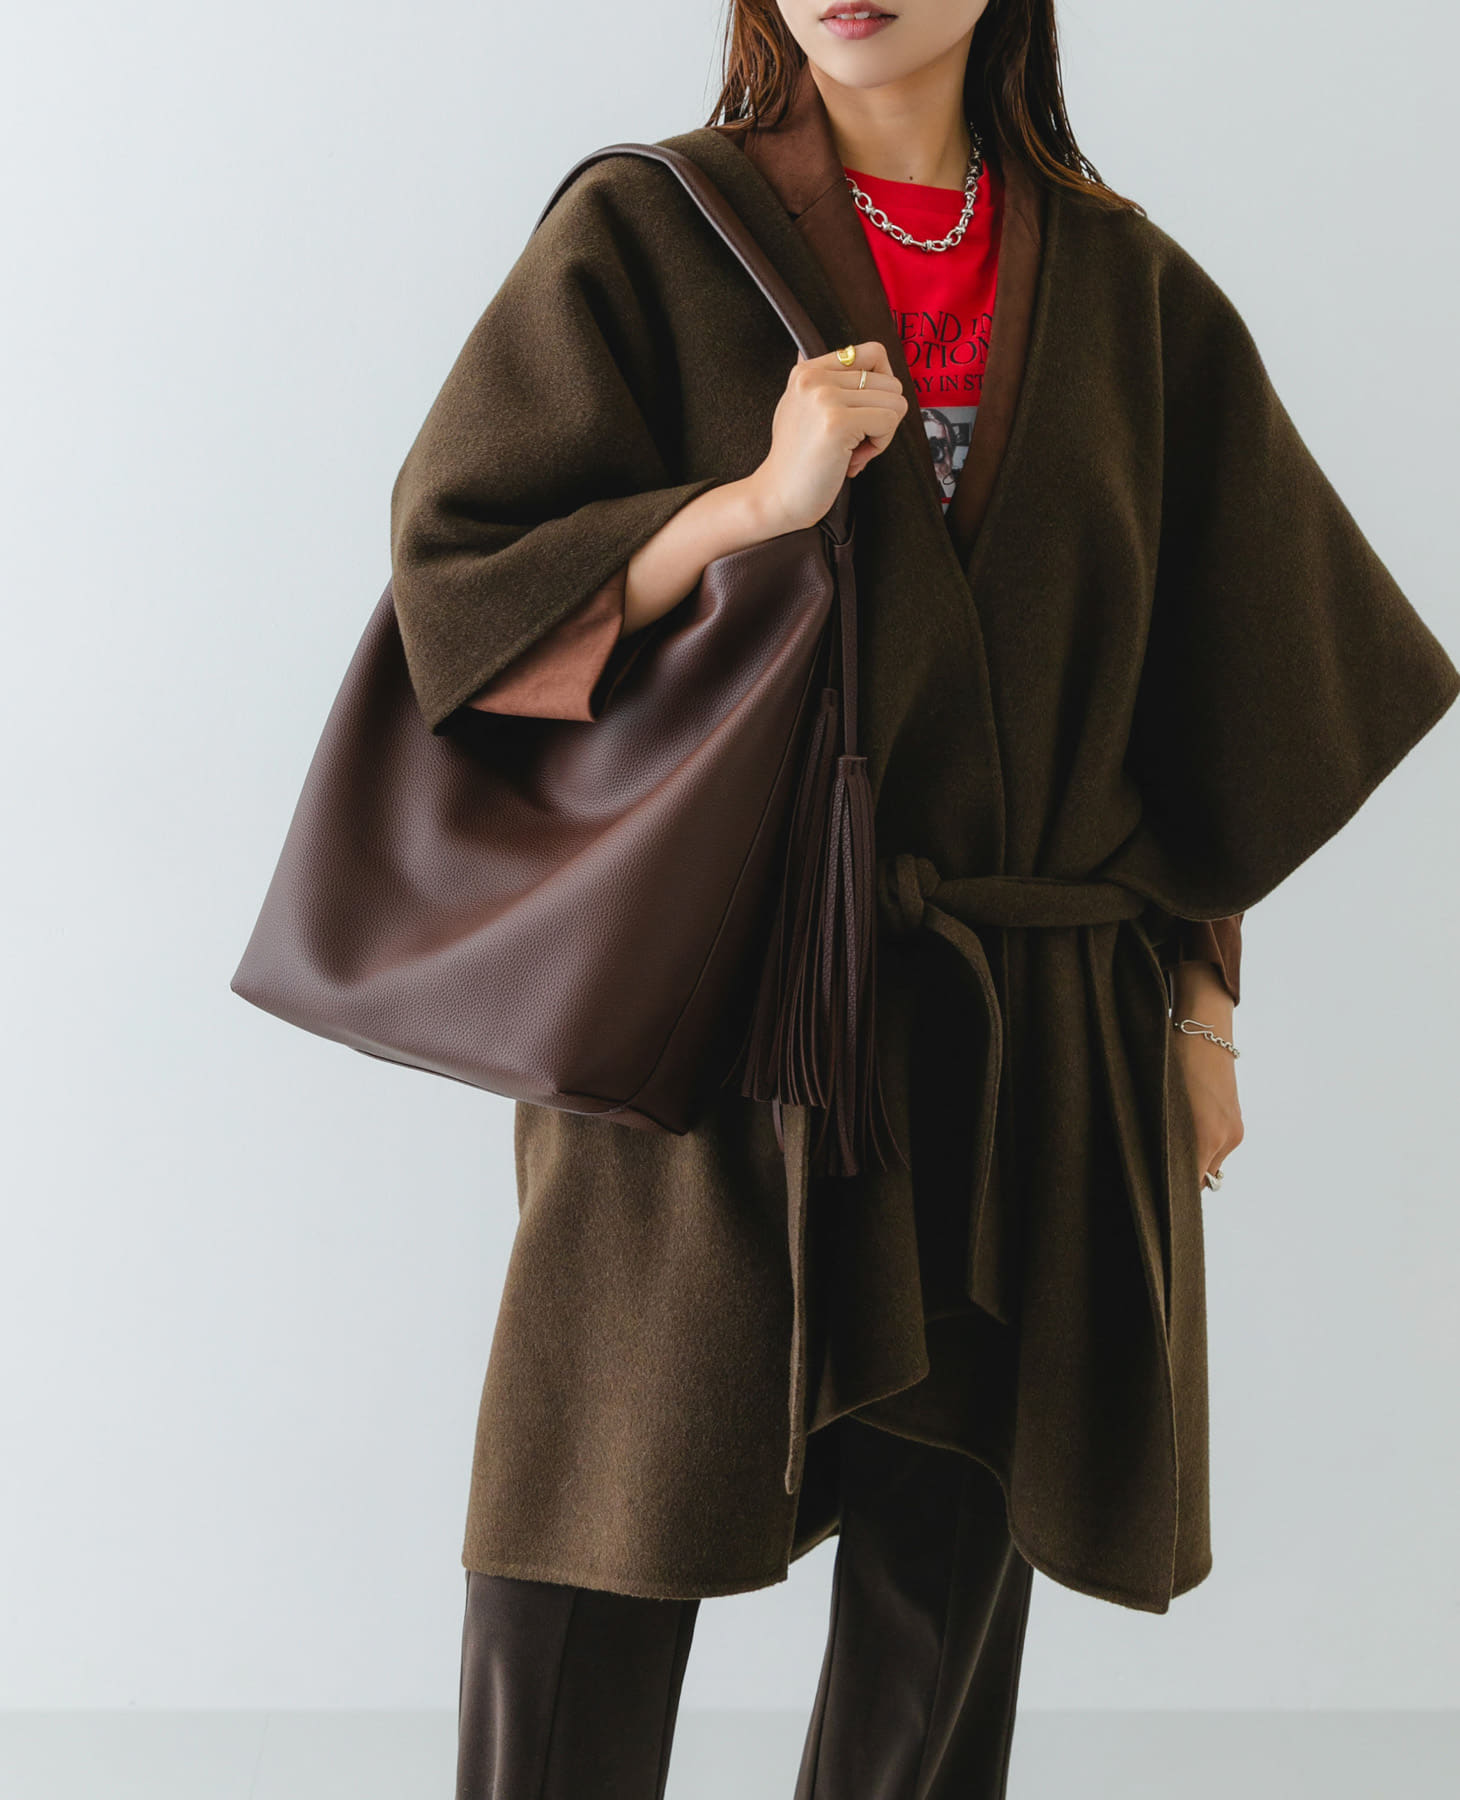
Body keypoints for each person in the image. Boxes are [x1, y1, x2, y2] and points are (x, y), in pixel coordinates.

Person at [387, 4, 1460, 1795]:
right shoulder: (646, 233)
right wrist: (750, 503)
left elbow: (1209, 697)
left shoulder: (1129, 288)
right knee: (592, 1531)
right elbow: (463, 595)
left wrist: (1200, 1019)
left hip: (1025, 1023)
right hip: (718, 1012)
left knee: (942, 1585)